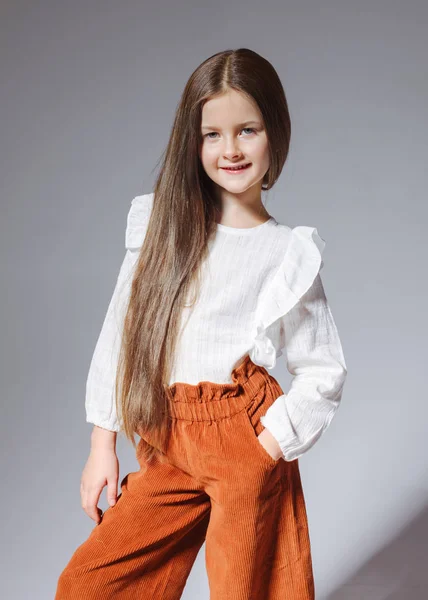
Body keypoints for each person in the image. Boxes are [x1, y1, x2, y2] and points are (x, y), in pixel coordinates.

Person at [55, 47, 347, 599]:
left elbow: (323, 370)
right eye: (212, 134)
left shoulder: (287, 254)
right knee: (89, 583)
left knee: (243, 588)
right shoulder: (164, 227)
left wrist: (268, 446)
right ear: (193, 141)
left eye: (247, 130)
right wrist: (102, 443)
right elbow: (123, 330)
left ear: (274, 134)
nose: (230, 149)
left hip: (242, 435)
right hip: (169, 435)